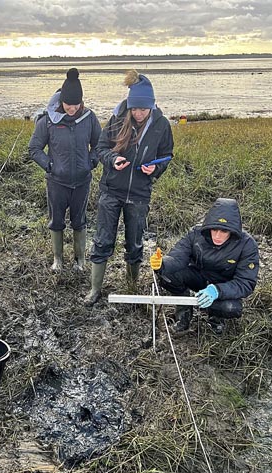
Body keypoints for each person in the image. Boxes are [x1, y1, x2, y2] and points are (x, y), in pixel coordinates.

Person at [84, 70, 174, 306]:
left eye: (143, 109)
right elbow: (100, 148)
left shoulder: (161, 125)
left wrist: (155, 170)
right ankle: (95, 290)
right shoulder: (116, 120)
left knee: (135, 244)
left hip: (140, 195)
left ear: (152, 106)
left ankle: (131, 287)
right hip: (111, 191)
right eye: (135, 109)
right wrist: (113, 160)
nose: (139, 113)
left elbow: (166, 155)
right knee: (102, 241)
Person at [149, 198, 260, 335]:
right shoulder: (196, 234)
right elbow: (178, 257)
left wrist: (217, 291)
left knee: (230, 308)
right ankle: (183, 313)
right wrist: (162, 264)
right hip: (199, 276)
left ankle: (216, 317)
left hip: (223, 286)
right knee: (168, 275)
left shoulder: (247, 245)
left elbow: (245, 282)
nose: (218, 236)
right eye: (214, 229)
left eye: (224, 231)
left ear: (233, 231)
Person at [29, 68, 101, 272]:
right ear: (62, 102)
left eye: (76, 104)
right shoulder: (48, 120)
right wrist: (49, 165)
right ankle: (58, 260)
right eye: (68, 104)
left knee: (80, 221)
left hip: (82, 181)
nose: (72, 108)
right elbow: (34, 148)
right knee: (56, 221)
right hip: (56, 182)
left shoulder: (89, 118)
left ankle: (80, 261)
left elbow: (100, 144)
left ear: (81, 102)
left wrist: (92, 161)